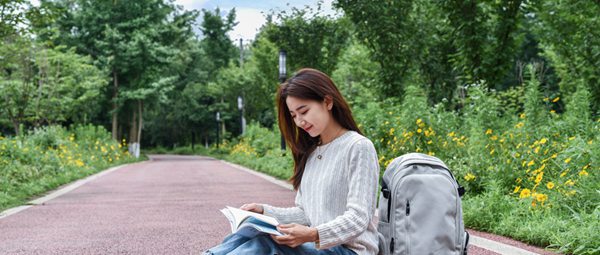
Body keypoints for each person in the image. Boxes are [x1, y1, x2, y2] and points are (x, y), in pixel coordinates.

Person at [204, 68, 380, 255]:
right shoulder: (312, 152)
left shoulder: (358, 147)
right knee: (249, 232)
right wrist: (264, 212)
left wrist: (313, 234)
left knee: (266, 244)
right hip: (319, 246)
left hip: (349, 251)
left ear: (327, 102)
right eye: (294, 115)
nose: (299, 122)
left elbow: (359, 217)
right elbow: (306, 214)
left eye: (303, 111)